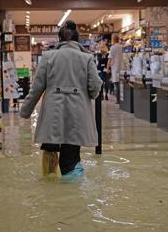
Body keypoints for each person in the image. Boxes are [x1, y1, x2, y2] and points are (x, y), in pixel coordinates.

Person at [20, 21, 102, 181]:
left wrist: (26, 111)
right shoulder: (86, 58)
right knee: (71, 153)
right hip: (77, 113)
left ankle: (48, 187)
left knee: (50, 147)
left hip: (53, 112)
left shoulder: (48, 57)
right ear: (77, 40)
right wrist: (90, 94)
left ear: (59, 40)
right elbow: (95, 85)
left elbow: (37, 87)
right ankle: (72, 195)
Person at [107, 35, 123, 104]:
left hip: (115, 67)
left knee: (116, 84)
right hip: (121, 67)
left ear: (113, 39)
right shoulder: (121, 47)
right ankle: (121, 99)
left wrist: (107, 67)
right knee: (120, 84)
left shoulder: (112, 48)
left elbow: (110, 58)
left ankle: (118, 100)